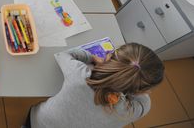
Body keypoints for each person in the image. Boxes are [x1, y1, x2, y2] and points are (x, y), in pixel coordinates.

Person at [26, 43, 165, 128]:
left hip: (38, 123)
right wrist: (128, 82)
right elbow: (144, 98)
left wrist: (92, 58)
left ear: (110, 59)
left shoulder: (80, 75)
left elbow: (62, 55)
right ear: (141, 89)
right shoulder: (136, 109)